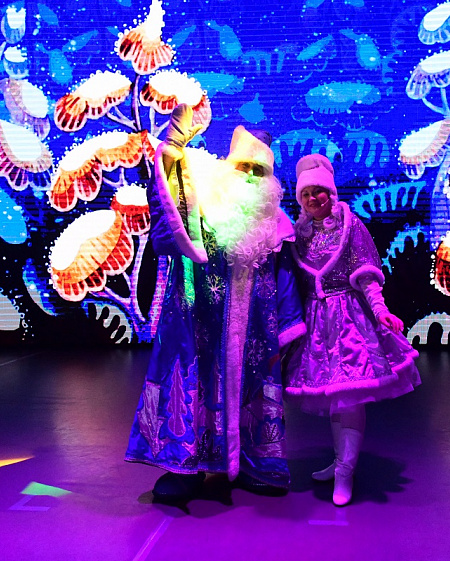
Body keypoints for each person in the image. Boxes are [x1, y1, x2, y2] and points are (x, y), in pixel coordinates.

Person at [125, 104, 306, 500]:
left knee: (255, 395)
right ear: (229, 166)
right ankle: (186, 468)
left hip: (255, 336)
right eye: (244, 167)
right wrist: (171, 147)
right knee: (193, 391)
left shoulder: (276, 225)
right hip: (200, 327)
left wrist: (289, 328)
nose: (251, 177)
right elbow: (169, 206)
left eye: (260, 171)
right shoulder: (204, 205)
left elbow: (286, 278)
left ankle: (255, 463)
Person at [284, 153, 421, 506]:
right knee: (335, 399)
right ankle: (340, 462)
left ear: (330, 192)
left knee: (349, 398)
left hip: (348, 320)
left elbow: (366, 274)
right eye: (305, 194)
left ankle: (346, 471)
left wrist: (380, 310)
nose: (313, 199)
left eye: (318, 191)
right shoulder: (299, 234)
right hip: (317, 324)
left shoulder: (350, 225)